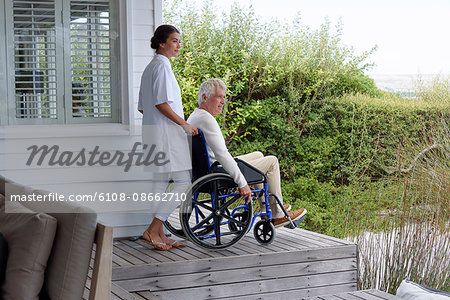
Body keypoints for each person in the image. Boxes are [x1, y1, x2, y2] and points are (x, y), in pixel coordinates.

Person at [187, 79, 306, 227]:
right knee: (272, 161)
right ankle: (276, 214)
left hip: (208, 168)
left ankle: (265, 208)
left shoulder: (196, 116)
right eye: (219, 97)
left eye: (224, 97)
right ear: (204, 97)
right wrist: (241, 183)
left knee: (258, 155)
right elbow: (222, 155)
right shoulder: (207, 120)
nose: (223, 102)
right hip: (218, 171)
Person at [138, 25, 198, 251]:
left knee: (160, 184)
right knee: (183, 182)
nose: (178, 45)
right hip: (166, 137)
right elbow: (161, 103)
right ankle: (153, 229)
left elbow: (143, 109)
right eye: (174, 41)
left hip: (153, 134)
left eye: (179, 41)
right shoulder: (162, 67)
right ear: (162, 43)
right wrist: (184, 123)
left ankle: (159, 234)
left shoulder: (149, 68)